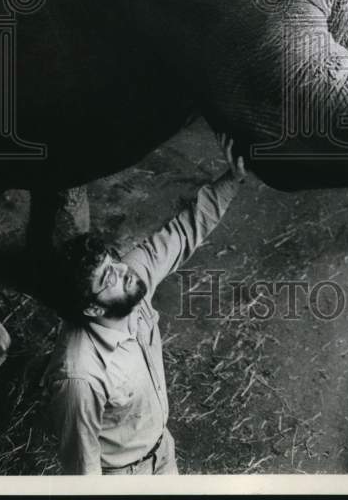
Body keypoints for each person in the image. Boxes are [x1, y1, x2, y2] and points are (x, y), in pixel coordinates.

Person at [44, 133, 245, 475]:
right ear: (92, 309)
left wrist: (233, 178)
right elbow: (82, 470)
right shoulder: (80, 377)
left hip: (162, 451)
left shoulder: (130, 283)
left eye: (113, 260)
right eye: (108, 277)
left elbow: (182, 232)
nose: (122, 271)